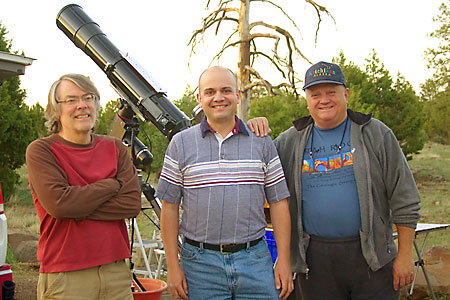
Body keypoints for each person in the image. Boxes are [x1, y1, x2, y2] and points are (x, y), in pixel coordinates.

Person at [247, 61, 421, 300]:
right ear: (306, 99)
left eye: (331, 92)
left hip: (372, 257)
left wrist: (403, 256)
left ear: (346, 94)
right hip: (313, 260)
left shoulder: (375, 134)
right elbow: (252, 173)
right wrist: (251, 131)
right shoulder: (289, 142)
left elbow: (406, 198)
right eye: (315, 94)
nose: (324, 100)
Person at [156, 66, 294, 300]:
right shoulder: (180, 144)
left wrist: (283, 259)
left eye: (226, 90)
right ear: (199, 98)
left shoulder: (261, 142)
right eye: (210, 92)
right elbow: (169, 207)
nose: (218, 97)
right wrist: (172, 266)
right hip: (199, 265)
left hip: (255, 261)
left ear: (238, 96)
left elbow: (279, 203)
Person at [26, 74, 142, 300]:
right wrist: (111, 185)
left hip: (116, 273)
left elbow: (131, 205)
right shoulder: (42, 151)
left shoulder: (115, 148)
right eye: (71, 100)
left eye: (88, 97)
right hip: (67, 275)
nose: (82, 105)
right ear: (56, 109)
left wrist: (76, 206)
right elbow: (60, 205)